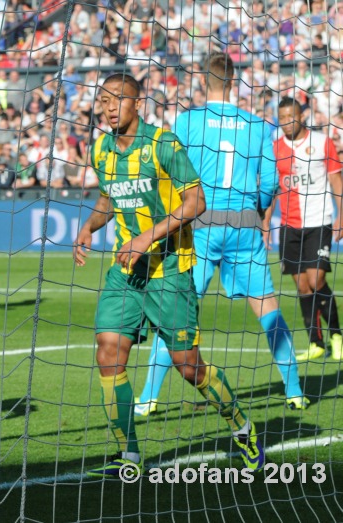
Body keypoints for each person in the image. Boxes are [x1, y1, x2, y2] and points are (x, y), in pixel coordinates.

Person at [72, 73, 264, 478]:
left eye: (117, 99)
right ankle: (129, 455)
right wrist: (90, 226)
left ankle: (242, 428)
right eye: (103, 99)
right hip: (126, 271)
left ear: (137, 103)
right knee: (108, 351)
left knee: (188, 366)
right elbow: (108, 195)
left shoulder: (163, 144)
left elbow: (196, 202)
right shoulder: (101, 149)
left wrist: (148, 237)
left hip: (171, 269)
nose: (108, 107)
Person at [135, 53, 309, 417]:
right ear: (234, 82)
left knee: (177, 316)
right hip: (244, 227)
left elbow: (169, 171)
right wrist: (257, 212)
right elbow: (271, 183)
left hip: (199, 228)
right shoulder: (258, 125)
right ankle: (294, 392)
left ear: (203, 81)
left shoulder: (187, 121)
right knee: (268, 310)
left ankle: (148, 397)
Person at [268, 97, 343, 361]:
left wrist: (340, 214)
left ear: (302, 116)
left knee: (317, 280)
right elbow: (272, 188)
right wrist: (266, 222)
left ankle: (336, 334)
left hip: (318, 220)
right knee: (302, 286)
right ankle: (316, 342)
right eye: (283, 118)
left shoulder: (322, 142)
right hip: (289, 225)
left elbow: (336, 179)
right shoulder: (274, 148)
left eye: (292, 116)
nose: (287, 122)